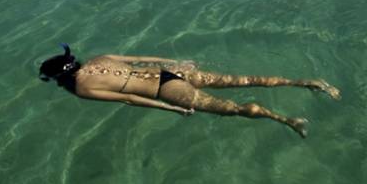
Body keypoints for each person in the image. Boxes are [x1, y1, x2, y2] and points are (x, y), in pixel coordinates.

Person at [39, 45, 340, 138]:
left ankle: (289, 121)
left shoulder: (82, 87)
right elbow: (144, 58)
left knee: (234, 108)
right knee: (246, 80)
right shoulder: (98, 59)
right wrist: (176, 63)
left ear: (57, 78)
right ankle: (306, 83)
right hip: (174, 72)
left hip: (166, 90)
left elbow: (129, 98)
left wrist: (173, 108)